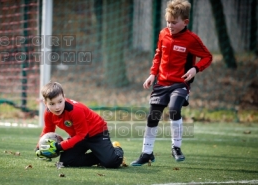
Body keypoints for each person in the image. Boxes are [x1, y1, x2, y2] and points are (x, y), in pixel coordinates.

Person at [131, 0, 212, 166]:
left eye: (174, 22)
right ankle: (147, 153)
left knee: (175, 110)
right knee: (152, 117)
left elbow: (208, 57)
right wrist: (152, 74)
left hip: (180, 84)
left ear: (185, 22)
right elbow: (158, 55)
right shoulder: (163, 34)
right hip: (161, 84)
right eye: (168, 21)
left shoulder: (191, 39)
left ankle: (176, 147)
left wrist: (195, 69)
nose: (170, 25)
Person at [35, 82, 124, 168]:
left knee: (111, 162)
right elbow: (48, 130)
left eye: (60, 102)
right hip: (78, 135)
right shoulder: (48, 113)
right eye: (52, 104)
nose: (57, 107)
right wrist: (39, 147)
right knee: (65, 162)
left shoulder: (75, 110)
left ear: (64, 97)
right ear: (45, 103)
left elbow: (82, 135)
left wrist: (59, 146)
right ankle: (103, 155)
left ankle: (116, 149)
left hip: (97, 133)